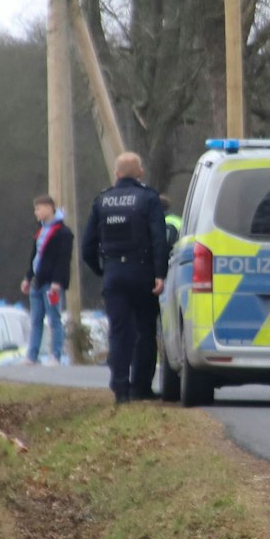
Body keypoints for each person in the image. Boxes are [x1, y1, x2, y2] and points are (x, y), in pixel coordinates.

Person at [81, 152, 170, 403]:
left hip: (113, 274)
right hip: (142, 274)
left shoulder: (102, 201)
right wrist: (160, 274)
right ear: (139, 172)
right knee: (145, 330)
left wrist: (103, 270)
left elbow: (87, 246)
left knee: (119, 331)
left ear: (117, 173)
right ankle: (141, 387)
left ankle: (120, 388)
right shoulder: (148, 198)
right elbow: (158, 239)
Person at [20, 194, 73, 365]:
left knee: (54, 319)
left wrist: (58, 282)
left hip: (51, 283)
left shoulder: (63, 233)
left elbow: (63, 260)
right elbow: (35, 257)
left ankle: (55, 355)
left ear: (50, 208)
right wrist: (28, 277)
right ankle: (32, 355)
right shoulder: (40, 230)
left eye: (39, 208)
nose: (36, 212)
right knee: (36, 320)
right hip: (37, 280)